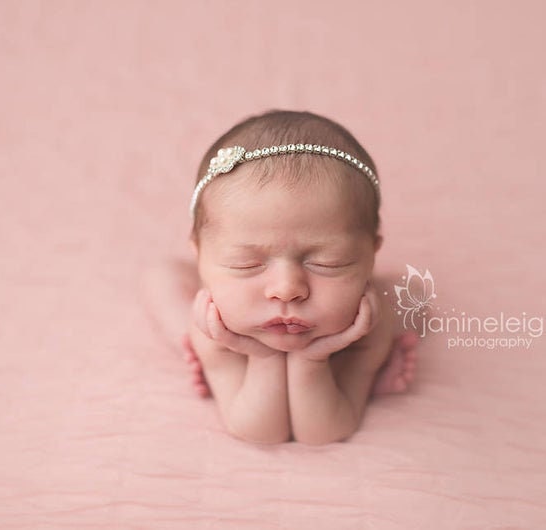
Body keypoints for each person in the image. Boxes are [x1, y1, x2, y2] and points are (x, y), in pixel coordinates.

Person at [144, 110, 417, 445]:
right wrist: (262, 356)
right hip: (225, 323)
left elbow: (324, 433)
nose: (287, 289)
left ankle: (365, 370)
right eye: (246, 264)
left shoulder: (369, 323)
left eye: (328, 263)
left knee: (413, 292)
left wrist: (314, 358)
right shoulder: (213, 323)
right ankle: (188, 348)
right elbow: (260, 432)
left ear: (371, 256)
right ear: (200, 255)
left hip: (345, 336)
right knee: (162, 279)